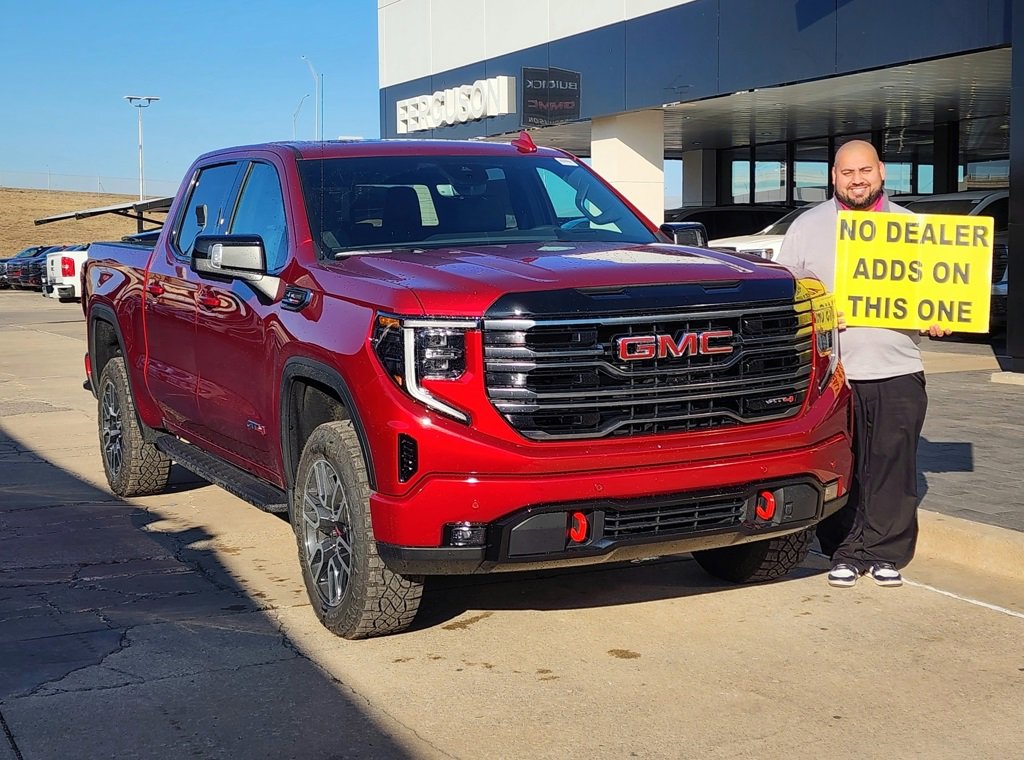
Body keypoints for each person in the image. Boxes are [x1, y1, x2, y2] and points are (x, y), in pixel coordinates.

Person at [777, 140, 948, 589]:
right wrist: (826, 311)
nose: (857, 180)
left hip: (896, 366)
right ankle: (846, 550)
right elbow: (787, 300)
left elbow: (938, 294)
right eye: (848, 172)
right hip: (834, 375)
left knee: (894, 464)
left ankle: (887, 552)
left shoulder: (913, 228)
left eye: (865, 170)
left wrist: (939, 317)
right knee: (846, 465)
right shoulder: (807, 227)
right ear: (834, 177)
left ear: (882, 172)